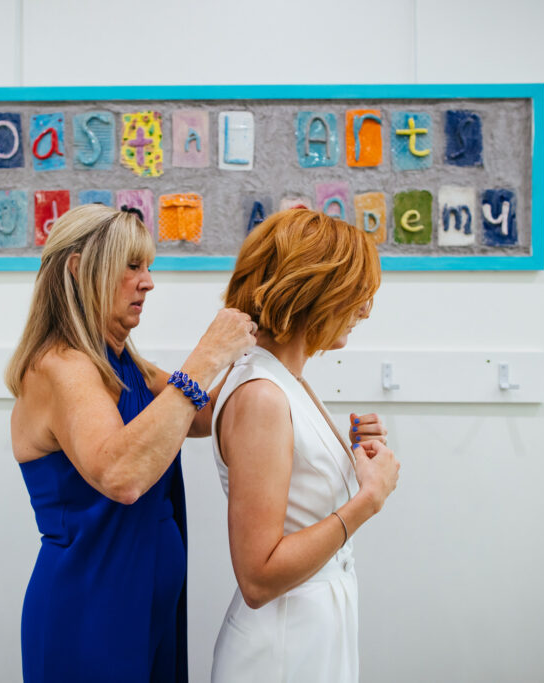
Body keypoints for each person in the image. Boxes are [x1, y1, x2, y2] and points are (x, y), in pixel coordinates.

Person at [5, 203, 255, 682]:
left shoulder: (126, 365)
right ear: (80, 270)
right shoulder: (61, 366)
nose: (148, 282)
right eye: (133, 266)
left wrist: (262, 353)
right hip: (89, 615)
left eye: (149, 267)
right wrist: (206, 356)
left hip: (145, 609)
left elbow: (200, 415)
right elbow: (121, 476)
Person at [209, 209, 401, 682]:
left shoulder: (283, 380)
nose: (365, 311)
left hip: (307, 637)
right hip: (281, 651)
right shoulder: (262, 395)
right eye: (357, 294)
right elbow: (258, 577)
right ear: (316, 293)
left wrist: (349, 456)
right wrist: (368, 500)